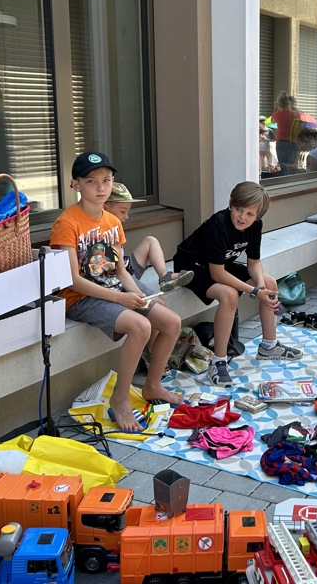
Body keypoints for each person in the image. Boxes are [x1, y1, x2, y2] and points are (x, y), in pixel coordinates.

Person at [50, 151, 184, 431]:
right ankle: (120, 399)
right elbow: (72, 280)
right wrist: (121, 298)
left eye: (106, 181)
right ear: (75, 185)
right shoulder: (67, 223)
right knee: (140, 326)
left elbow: (121, 270)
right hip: (81, 297)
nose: (100, 188)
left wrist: (140, 296)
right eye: (91, 181)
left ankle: (152, 385)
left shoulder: (112, 222)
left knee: (171, 322)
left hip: (112, 288)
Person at [173, 181, 302, 386]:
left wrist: (261, 286)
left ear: (258, 216)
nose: (242, 217)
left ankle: (269, 346)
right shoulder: (218, 223)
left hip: (217, 265)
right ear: (230, 205)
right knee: (229, 295)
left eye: (250, 214)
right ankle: (219, 362)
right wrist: (254, 291)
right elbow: (217, 274)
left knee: (269, 282)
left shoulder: (255, 226)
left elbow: (254, 262)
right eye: (238, 210)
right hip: (190, 266)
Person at [102, 182, 194, 292]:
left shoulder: (115, 227)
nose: (126, 216)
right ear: (105, 208)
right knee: (158, 303)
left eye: (127, 211)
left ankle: (165, 276)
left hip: (126, 270)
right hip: (117, 279)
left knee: (150, 241)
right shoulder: (95, 233)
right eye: (122, 211)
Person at [269, 92, 298, 174]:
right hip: (293, 142)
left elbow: (271, 121)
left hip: (281, 143)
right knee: (293, 166)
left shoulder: (278, 114)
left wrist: (275, 108)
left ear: (280, 104)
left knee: (283, 165)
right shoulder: (295, 114)